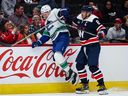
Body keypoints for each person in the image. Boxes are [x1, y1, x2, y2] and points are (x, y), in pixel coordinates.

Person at [31, 5, 79, 85]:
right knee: (56, 59)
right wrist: (38, 42)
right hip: (55, 41)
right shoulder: (46, 22)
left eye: (44, 13)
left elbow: (63, 10)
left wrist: (64, 13)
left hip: (62, 36)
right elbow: (46, 36)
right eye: (42, 14)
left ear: (48, 12)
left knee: (57, 55)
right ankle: (69, 72)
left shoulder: (54, 12)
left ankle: (70, 72)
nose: (43, 15)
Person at [72, 5, 108, 95]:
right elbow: (72, 21)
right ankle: (85, 85)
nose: (82, 13)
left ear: (89, 13)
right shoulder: (79, 17)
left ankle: (102, 85)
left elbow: (102, 29)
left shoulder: (94, 19)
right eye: (82, 11)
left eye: (84, 11)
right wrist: (66, 17)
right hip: (84, 46)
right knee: (79, 65)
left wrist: (101, 34)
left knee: (92, 66)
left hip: (93, 46)